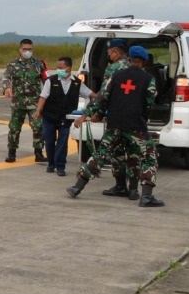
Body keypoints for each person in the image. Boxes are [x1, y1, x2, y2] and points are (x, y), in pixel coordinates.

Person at [67, 45, 165, 207]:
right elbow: (149, 104)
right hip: (136, 126)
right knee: (149, 157)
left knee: (101, 154)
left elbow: (101, 97)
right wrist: (142, 119)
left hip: (114, 123)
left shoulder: (117, 75)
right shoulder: (148, 79)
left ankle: (77, 187)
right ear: (143, 61)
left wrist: (91, 114)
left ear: (130, 59)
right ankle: (146, 196)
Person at [84, 38, 135, 196]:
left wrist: (96, 113)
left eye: (109, 53)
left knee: (115, 153)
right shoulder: (136, 68)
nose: (109, 56)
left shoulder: (113, 69)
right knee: (133, 154)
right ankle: (133, 189)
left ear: (115, 52)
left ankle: (119, 186)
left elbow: (104, 95)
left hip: (116, 117)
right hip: (134, 118)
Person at [34, 56, 92, 177]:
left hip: (65, 117)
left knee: (62, 141)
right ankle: (51, 163)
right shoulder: (51, 80)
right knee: (49, 140)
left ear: (69, 68)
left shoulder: (77, 82)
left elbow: (89, 93)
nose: (58, 70)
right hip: (49, 116)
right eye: (57, 67)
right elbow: (43, 97)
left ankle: (60, 166)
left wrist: (103, 97)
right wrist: (38, 110)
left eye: (61, 67)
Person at [1, 38, 47, 163]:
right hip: (18, 102)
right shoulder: (12, 64)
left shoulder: (39, 64)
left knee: (38, 127)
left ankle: (38, 153)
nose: (27, 51)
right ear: (20, 50)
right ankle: (12, 153)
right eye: (25, 49)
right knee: (14, 128)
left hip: (34, 103)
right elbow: (6, 77)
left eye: (30, 49)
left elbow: (46, 80)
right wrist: (7, 88)